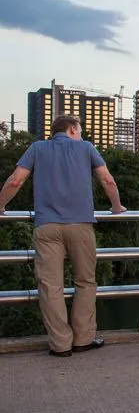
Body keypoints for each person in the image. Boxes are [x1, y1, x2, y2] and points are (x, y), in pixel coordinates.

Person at [0, 115, 126, 356]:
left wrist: (1, 205)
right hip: (81, 225)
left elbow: (15, 181)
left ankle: (60, 345)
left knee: (50, 286)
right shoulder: (86, 148)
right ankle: (83, 339)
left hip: (46, 226)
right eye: (80, 131)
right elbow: (107, 180)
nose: (81, 135)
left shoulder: (37, 148)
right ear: (72, 129)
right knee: (85, 282)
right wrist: (117, 207)